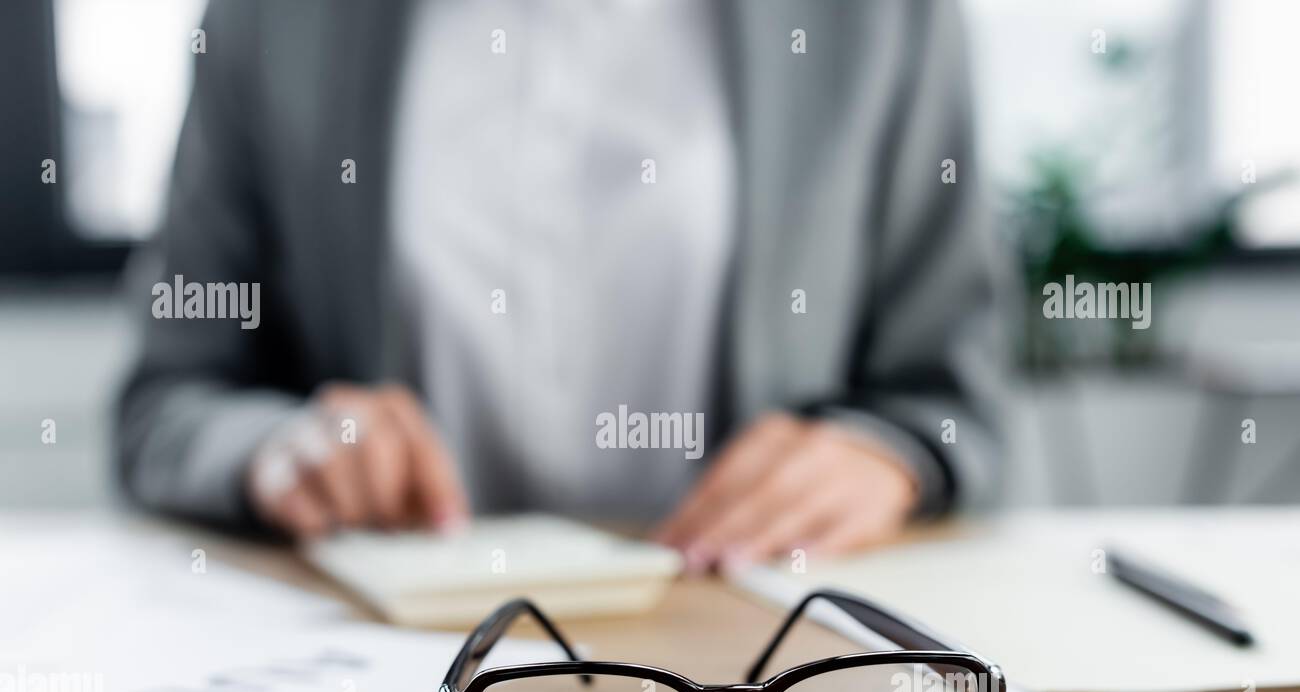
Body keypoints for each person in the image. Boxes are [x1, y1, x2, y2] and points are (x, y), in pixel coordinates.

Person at [115, 0, 1007, 573]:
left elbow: (955, 395)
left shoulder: (885, 20)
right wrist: (277, 450)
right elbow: (167, 399)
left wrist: (887, 455)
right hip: (387, 676)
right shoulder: (270, 22)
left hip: (763, 663)